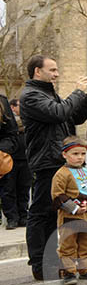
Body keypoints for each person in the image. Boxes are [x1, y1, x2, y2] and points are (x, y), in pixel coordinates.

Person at [20, 55, 87, 281]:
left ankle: (67, 260)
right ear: (37, 71)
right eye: (52, 70)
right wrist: (77, 92)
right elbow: (59, 112)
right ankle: (40, 263)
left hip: (60, 159)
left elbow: (73, 116)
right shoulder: (31, 95)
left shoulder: (47, 93)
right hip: (47, 162)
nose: (56, 74)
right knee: (42, 212)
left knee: (64, 211)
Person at [51, 136, 87, 285]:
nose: (79, 157)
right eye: (75, 154)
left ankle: (86, 269)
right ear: (64, 155)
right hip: (69, 218)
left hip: (86, 217)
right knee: (68, 245)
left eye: (82, 154)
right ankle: (68, 271)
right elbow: (58, 196)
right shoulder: (61, 174)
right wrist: (74, 209)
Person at [1, 98, 29, 229]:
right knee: (8, 189)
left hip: (22, 157)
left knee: (23, 188)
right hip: (9, 157)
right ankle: (12, 218)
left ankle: (23, 216)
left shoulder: (27, 118)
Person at [0, 94, 19, 228]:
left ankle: (12, 218)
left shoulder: (2, 101)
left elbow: (12, 133)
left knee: (7, 190)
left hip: (1, 158)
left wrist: (3, 151)